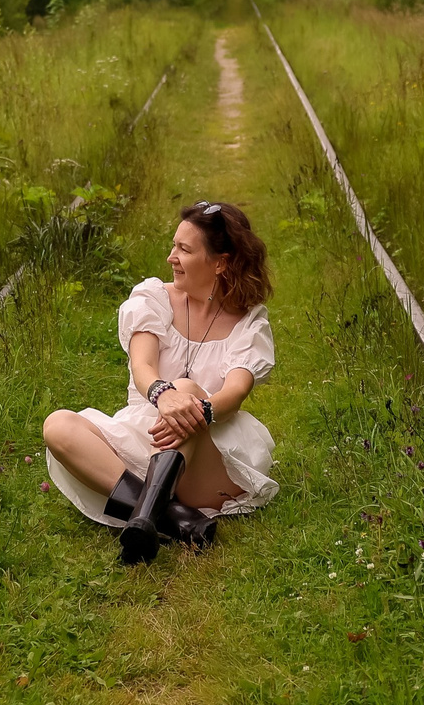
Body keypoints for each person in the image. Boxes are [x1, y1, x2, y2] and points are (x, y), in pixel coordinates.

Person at [43, 200, 277, 563]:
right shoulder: (154, 298)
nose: (171, 257)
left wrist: (197, 409)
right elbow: (143, 365)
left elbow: (236, 391)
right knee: (57, 425)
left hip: (208, 454)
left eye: (184, 249)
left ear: (220, 262)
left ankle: (148, 515)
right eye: (174, 246)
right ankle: (173, 520)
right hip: (148, 436)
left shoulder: (248, 323)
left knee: (186, 391)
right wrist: (161, 393)